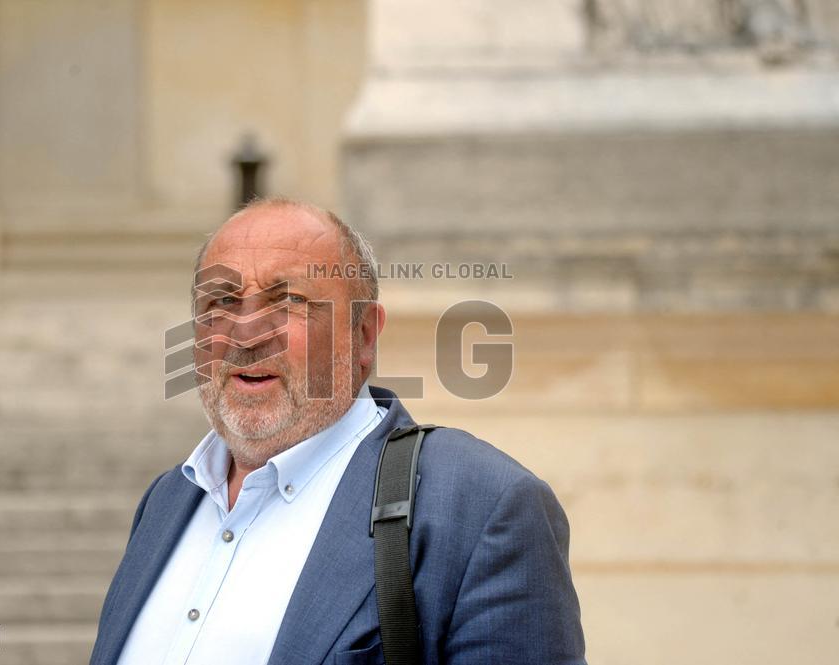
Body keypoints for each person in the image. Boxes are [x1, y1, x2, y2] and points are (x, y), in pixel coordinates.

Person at [90, 198, 586, 665]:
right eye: (222, 301)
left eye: (288, 302)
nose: (246, 334)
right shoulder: (167, 501)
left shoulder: (480, 506)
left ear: (364, 335)